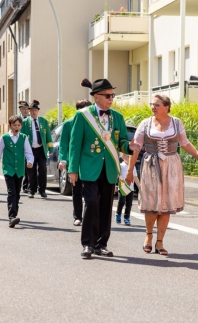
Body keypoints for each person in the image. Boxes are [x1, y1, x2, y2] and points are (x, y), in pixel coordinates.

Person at [127, 94, 198, 256]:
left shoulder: (176, 123)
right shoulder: (146, 123)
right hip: (151, 165)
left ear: (166, 107)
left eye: (157, 105)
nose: (153, 107)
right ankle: (148, 236)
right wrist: (130, 171)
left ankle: (160, 242)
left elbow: (185, 143)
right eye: (152, 104)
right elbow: (135, 148)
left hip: (171, 166)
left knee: (166, 204)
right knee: (151, 202)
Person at [69, 78, 137, 259]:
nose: (111, 98)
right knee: (91, 202)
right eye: (107, 95)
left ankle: (101, 244)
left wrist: (130, 147)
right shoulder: (83, 116)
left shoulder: (118, 117)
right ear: (96, 97)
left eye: (112, 95)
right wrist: (72, 170)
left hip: (109, 169)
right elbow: (75, 144)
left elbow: (121, 141)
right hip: (89, 168)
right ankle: (87, 244)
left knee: (106, 206)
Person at [0, 115, 34, 228]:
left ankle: (14, 214)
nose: (17, 127)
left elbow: (28, 152)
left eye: (19, 125)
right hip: (8, 169)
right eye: (14, 125)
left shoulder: (24, 137)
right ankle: (12, 217)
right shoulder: (5, 137)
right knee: (12, 192)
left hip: (20, 169)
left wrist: (30, 161)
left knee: (17, 193)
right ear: (10, 126)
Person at [58, 99, 92, 226]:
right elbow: (64, 144)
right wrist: (63, 160)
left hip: (89, 163)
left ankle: (89, 217)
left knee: (90, 192)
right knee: (76, 190)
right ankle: (78, 216)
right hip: (75, 163)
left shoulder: (94, 124)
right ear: (78, 111)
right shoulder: (68, 124)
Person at [20, 100, 53, 198]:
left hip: (41, 149)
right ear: (29, 111)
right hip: (30, 150)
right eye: (32, 110)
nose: (34, 112)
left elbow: (48, 137)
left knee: (43, 169)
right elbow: (21, 136)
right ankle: (32, 190)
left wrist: (50, 149)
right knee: (31, 170)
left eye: (35, 110)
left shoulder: (43, 121)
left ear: (38, 111)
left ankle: (42, 190)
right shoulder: (25, 122)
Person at [116, 153, 140, 226]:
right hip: (122, 187)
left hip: (131, 188)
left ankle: (127, 217)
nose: (129, 159)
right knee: (121, 201)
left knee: (129, 204)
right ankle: (118, 214)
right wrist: (115, 185)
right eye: (127, 157)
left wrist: (140, 187)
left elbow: (135, 177)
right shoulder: (121, 166)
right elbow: (117, 176)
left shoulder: (132, 167)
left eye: (130, 157)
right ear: (123, 157)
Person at [18, 100, 31, 193]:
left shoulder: (32, 119)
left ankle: (26, 185)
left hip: (29, 146)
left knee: (28, 166)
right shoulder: (17, 119)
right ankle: (19, 183)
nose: (25, 111)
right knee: (20, 165)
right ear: (20, 110)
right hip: (18, 145)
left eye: (27, 109)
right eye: (23, 109)